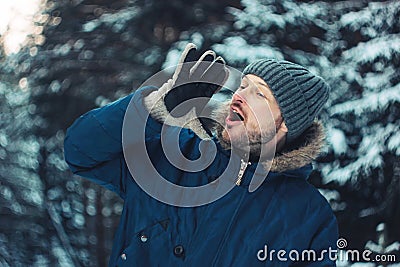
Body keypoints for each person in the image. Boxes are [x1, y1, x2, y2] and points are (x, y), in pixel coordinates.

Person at [64, 43, 338, 266]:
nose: (239, 96)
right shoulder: (172, 155)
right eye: (243, 85)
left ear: (286, 124)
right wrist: (151, 111)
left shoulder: (309, 216)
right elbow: (80, 151)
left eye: (260, 95)